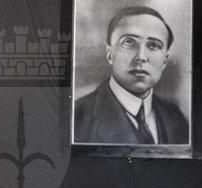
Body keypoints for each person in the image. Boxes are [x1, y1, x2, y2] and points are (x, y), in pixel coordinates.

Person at [74, 6, 189, 145]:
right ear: (110, 54)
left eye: (153, 45)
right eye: (129, 42)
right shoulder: (76, 118)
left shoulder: (177, 118)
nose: (141, 57)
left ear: (164, 61)